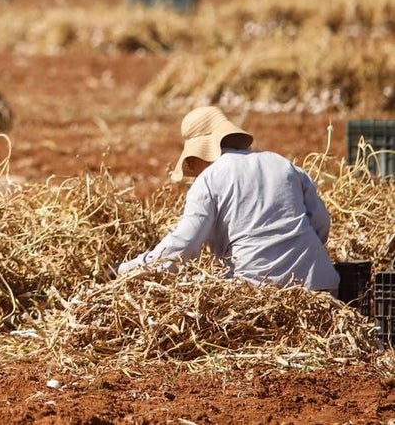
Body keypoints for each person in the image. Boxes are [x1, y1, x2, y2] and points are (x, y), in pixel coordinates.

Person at [118, 106, 339, 296]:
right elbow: (321, 223)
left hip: (260, 295)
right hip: (320, 286)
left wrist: (129, 269)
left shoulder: (209, 179)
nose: (193, 170)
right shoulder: (284, 164)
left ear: (201, 152)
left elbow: (184, 247)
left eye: (191, 162)